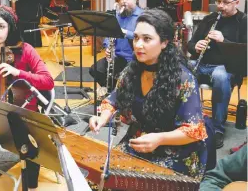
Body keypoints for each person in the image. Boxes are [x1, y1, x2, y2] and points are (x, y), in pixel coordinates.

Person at [89, 9, 211, 180]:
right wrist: (102, 118)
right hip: (140, 142)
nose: (138, 45)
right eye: (136, 38)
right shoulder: (132, 70)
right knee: (106, 178)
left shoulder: (183, 78)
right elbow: (114, 99)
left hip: (177, 152)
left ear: (164, 42)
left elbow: (195, 130)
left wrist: (159, 139)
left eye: (147, 39)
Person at [0, 5, 54, 191]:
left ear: (11, 28)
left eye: (1, 26)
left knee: (31, 172)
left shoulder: (27, 50)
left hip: (25, 112)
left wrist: (18, 72)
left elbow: (48, 81)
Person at [187, 0, 247, 149]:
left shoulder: (243, 21)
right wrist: (196, 47)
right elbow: (190, 43)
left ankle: (217, 129)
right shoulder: (210, 19)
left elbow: (244, 52)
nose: (220, 6)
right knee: (182, 68)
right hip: (202, 64)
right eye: (218, 1)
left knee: (220, 76)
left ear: (236, 3)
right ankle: (187, 119)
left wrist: (223, 41)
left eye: (225, 2)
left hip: (226, 67)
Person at [89, 0, 143, 92]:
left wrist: (125, 32)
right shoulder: (118, 15)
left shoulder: (142, 16)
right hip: (117, 56)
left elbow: (141, 37)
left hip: (133, 59)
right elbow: (110, 34)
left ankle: (120, 92)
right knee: (94, 69)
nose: (124, 1)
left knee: (126, 79)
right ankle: (114, 91)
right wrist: (108, 48)